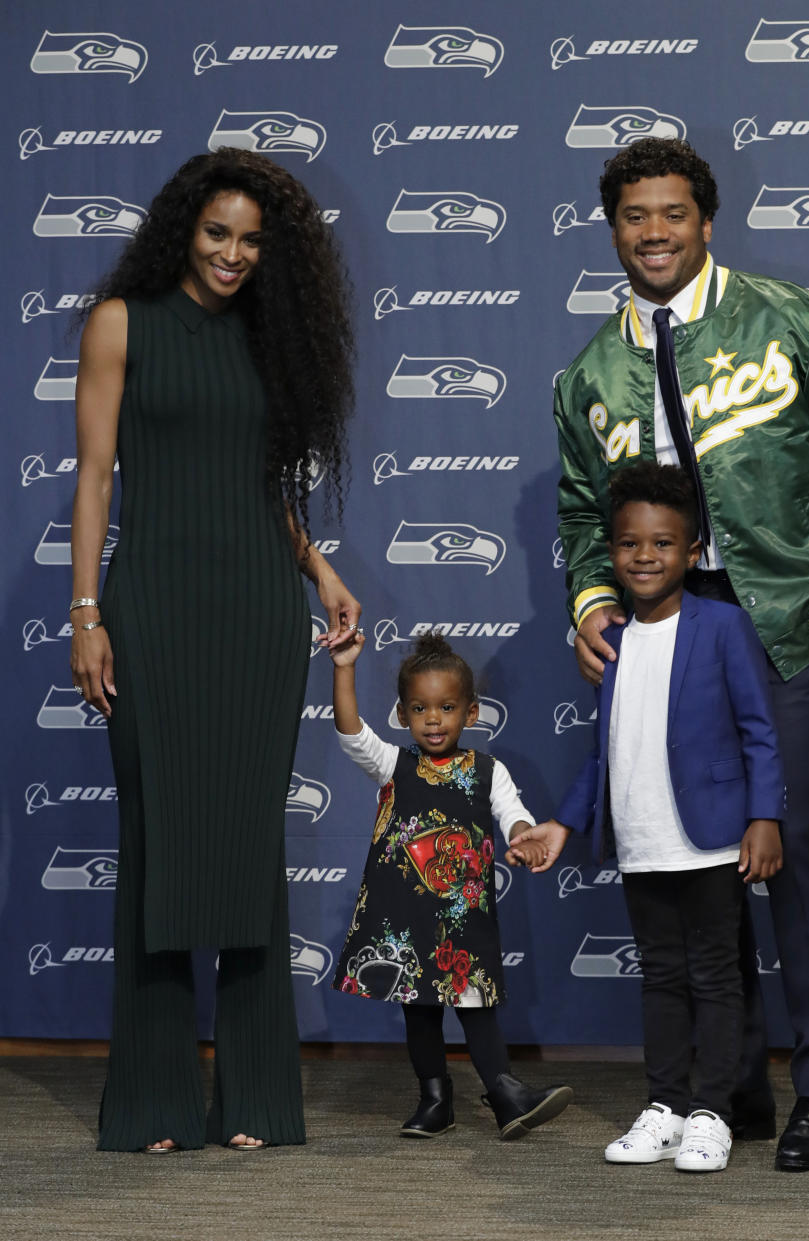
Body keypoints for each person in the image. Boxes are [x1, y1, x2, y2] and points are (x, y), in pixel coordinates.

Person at [547, 138, 809, 1171]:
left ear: (707, 220)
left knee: (787, 842)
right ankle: (733, 1085)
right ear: (610, 227)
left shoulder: (791, 319)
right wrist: (591, 603)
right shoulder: (589, 374)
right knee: (700, 857)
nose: (654, 232)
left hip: (789, 620)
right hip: (669, 643)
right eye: (634, 216)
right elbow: (584, 514)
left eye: (672, 213)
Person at [69, 148, 360, 1152]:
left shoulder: (266, 339)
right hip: (151, 606)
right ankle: (152, 1098)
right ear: (181, 229)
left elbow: (264, 485)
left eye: (250, 239)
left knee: (246, 846)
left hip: (257, 612)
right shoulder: (121, 323)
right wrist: (86, 611)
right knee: (156, 841)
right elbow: (96, 479)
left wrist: (317, 570)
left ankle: (257, 1099)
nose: (233, 254)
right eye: (216, 233)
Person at [516, 463, 784, 1172]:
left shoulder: (723, 624)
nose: (645, 555)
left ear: (693, 552)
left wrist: (764, 817)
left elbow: (760, 730)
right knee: (661, 976)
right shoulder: (610, 638)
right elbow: (602, 755)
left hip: (712, 838)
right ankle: (665, 1105)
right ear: (612, 551)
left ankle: (713, 1113)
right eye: (630, 542)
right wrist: (563, 825)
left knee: (717, 978)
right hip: (640, 841)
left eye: (663, 543)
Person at [329, 630, 572, 1140]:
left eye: (445, 707)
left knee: (476, 1007)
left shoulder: (490, 771)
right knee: (420, 1012)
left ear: (472, 712)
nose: (433, 719)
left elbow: (515, 817)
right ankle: (435, 1100)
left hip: (462, 918)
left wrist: (525, 839)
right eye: (419, 709)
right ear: (402, 715)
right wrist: (345, 667)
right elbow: (351, 731)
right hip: (406, 918)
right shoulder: (393, 763)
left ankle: (507, 1094)